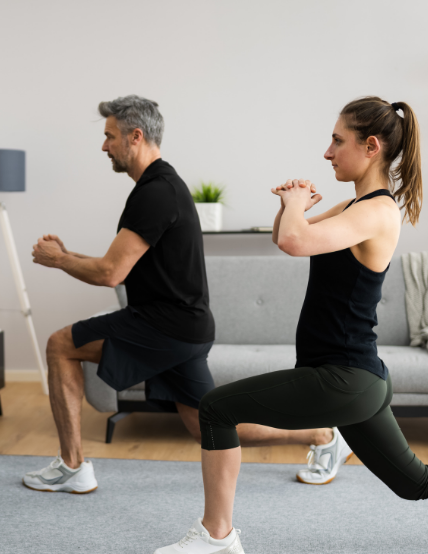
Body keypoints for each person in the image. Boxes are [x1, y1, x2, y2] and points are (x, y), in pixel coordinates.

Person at [153, 96, 428, 554]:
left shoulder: (377, 212)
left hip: (343, 377)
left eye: (337, 140)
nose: (328, 151)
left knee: (214, 409)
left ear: (371, 146)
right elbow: (287, 236)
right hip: (357, 378)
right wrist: (289, 206)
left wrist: (296, 205)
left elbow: (296, 240)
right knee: (415, 481)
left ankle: (218, 537)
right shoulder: (357, 205)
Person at [24, 95, 344, 494]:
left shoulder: (155, 193)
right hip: (183, 327)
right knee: (203, 425)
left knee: (60, 345)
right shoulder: (160, 186)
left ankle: (72, 466)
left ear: (135, 136)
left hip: (164, 326)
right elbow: (121, 262)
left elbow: (110, 273)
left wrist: (57, 261)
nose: (104, 146)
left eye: (109, 136)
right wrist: (69, 255)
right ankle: (321, 436)